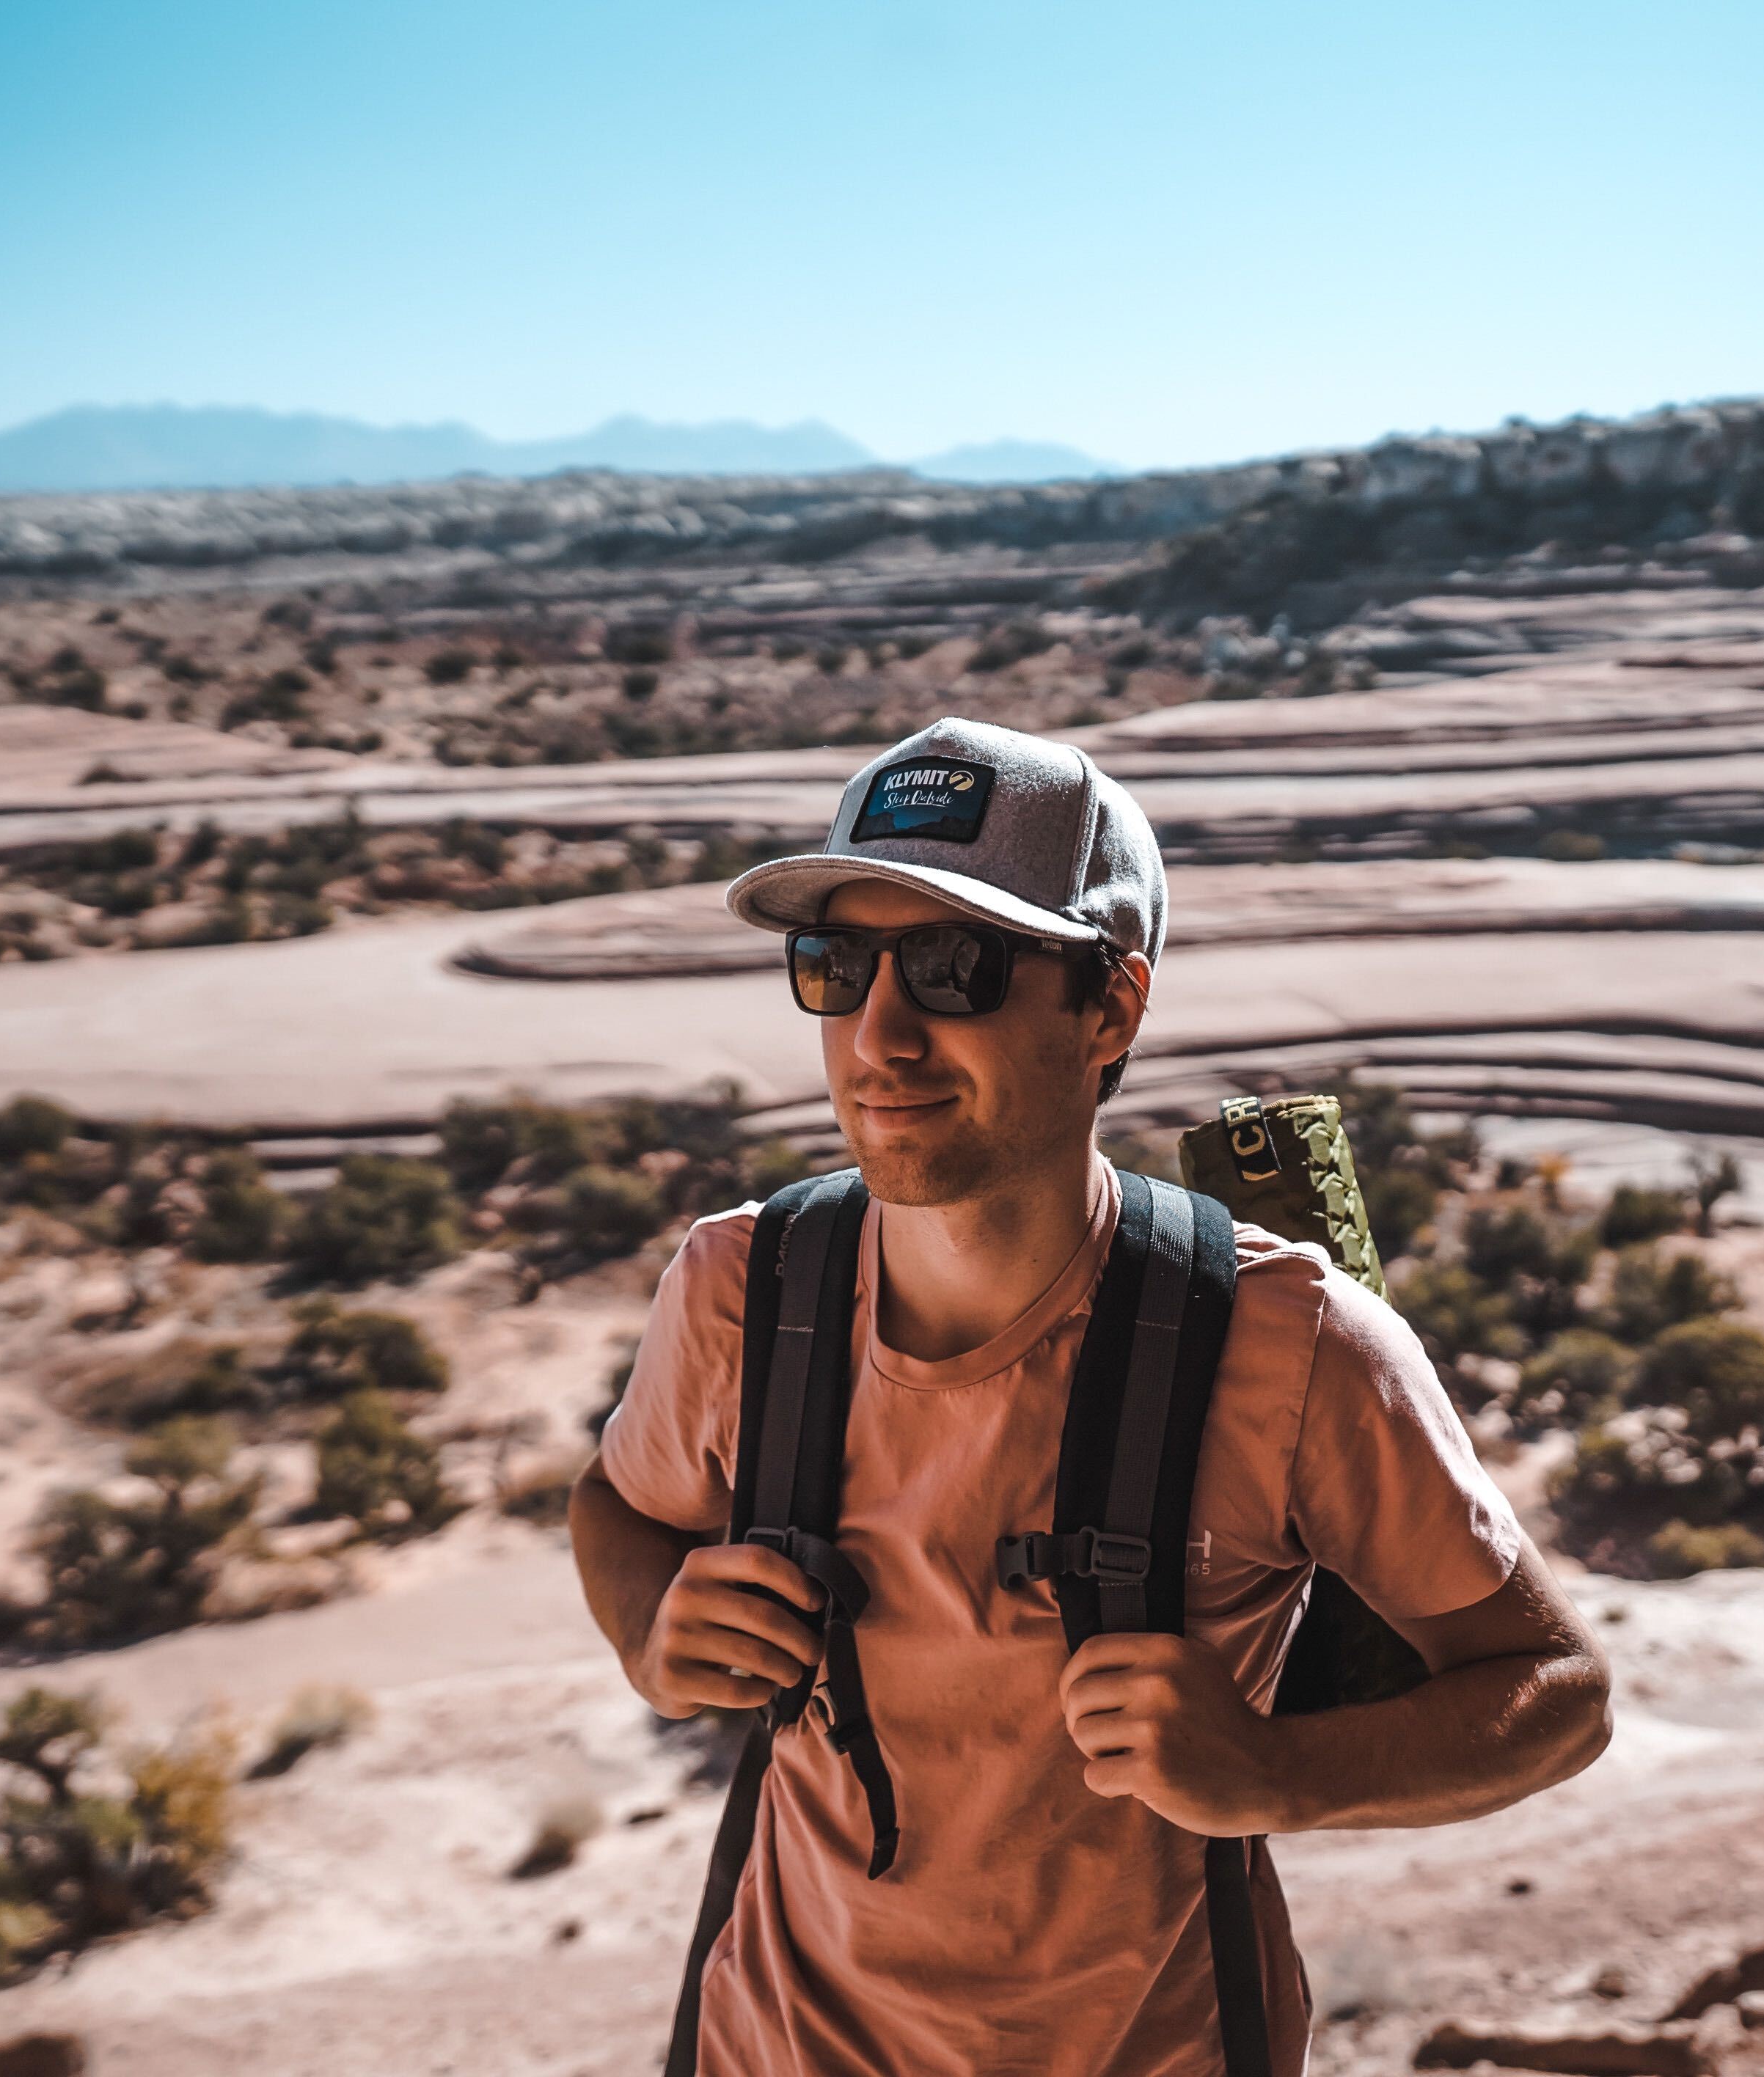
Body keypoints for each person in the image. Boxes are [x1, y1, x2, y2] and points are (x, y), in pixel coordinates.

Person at [570, 717, 1612, 2076]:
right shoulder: (738, 1291)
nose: (880, 1036)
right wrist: (652, 1625)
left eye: (954, 969)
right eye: (835, 965)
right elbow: (617, 1506)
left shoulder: (1286, 1344)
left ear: (1110, 1006)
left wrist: (1278, 1778)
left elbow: (1557, 1695)